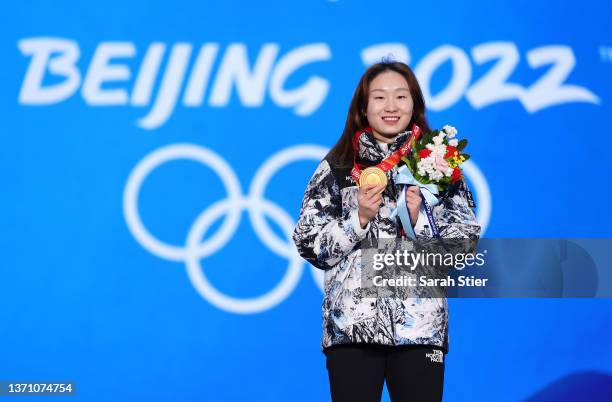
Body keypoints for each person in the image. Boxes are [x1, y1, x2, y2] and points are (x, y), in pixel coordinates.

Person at [292, 61, 481, 402]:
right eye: (379, 97)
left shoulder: (439, 166)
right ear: (363, 108)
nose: (391, 106)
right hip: (353, 329)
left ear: (415, 105)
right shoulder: (337, 166)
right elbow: (309, 243)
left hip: (420, 329)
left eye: (400, 96)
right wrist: (358, 220)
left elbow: (464, 244)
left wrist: (419, 219)